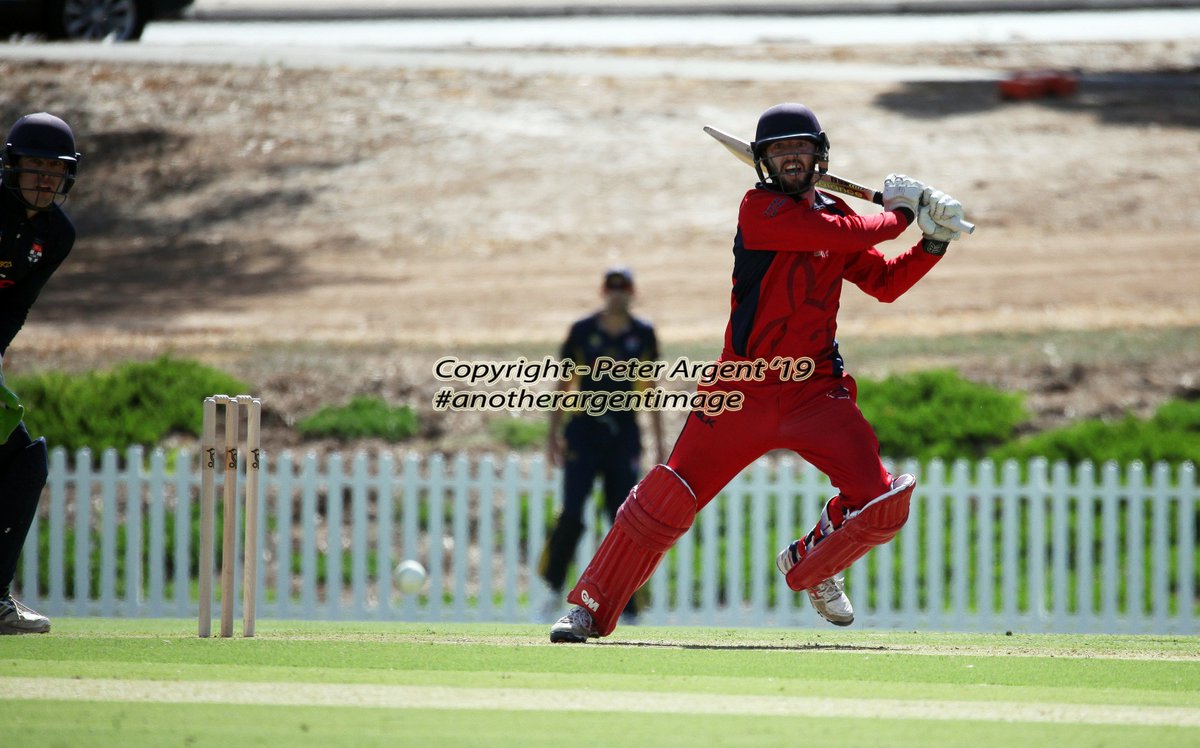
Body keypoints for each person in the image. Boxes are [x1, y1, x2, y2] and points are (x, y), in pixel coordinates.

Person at [550, 103, 966, 642]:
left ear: (820, 156)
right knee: (666, 497)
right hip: (741, 389)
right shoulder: (759, 210)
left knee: (882, 502)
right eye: (778, 150)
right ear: (763, 162)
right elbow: (851, 234)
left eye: (801, 149)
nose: (791, 158)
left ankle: (814, 564)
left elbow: (883, 281)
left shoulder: (839, 215)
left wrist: (933, 242)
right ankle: (587, 609)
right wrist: (903, 214)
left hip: (815, 392)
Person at [539, 266, 665, 623]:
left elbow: (649, 387)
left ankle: (628, 605)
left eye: (623, 288)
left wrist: (659, 443)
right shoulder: (583, 331)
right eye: (612, 288)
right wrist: (553, 434)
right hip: (583, 432)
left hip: (623, 435)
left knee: (624, 521)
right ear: (602, 292)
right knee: (573, 514)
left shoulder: (642, 334)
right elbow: (564, 383)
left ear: (633, 292)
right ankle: (552, 588)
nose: (617, 295)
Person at [0, 113, 81, 634]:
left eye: (55, 170)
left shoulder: (56, 233)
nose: (45, 179)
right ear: (12, 168)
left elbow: (17, 305)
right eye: (35, 167)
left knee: (26, 464)